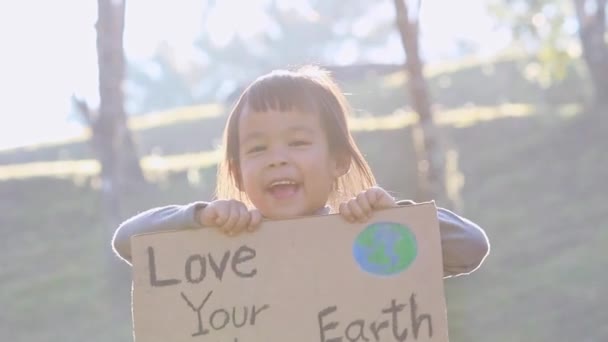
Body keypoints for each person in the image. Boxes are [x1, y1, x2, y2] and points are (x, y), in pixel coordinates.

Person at [112, 66, 489, 278]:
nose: (277, 159)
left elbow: (471, 247)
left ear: (338, 161)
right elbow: (127, 241)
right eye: (258, 148)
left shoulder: (367, 242)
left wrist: (397, 220)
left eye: (297, 142)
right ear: (239, 173)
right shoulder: (222, 245)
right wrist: (198, 217)